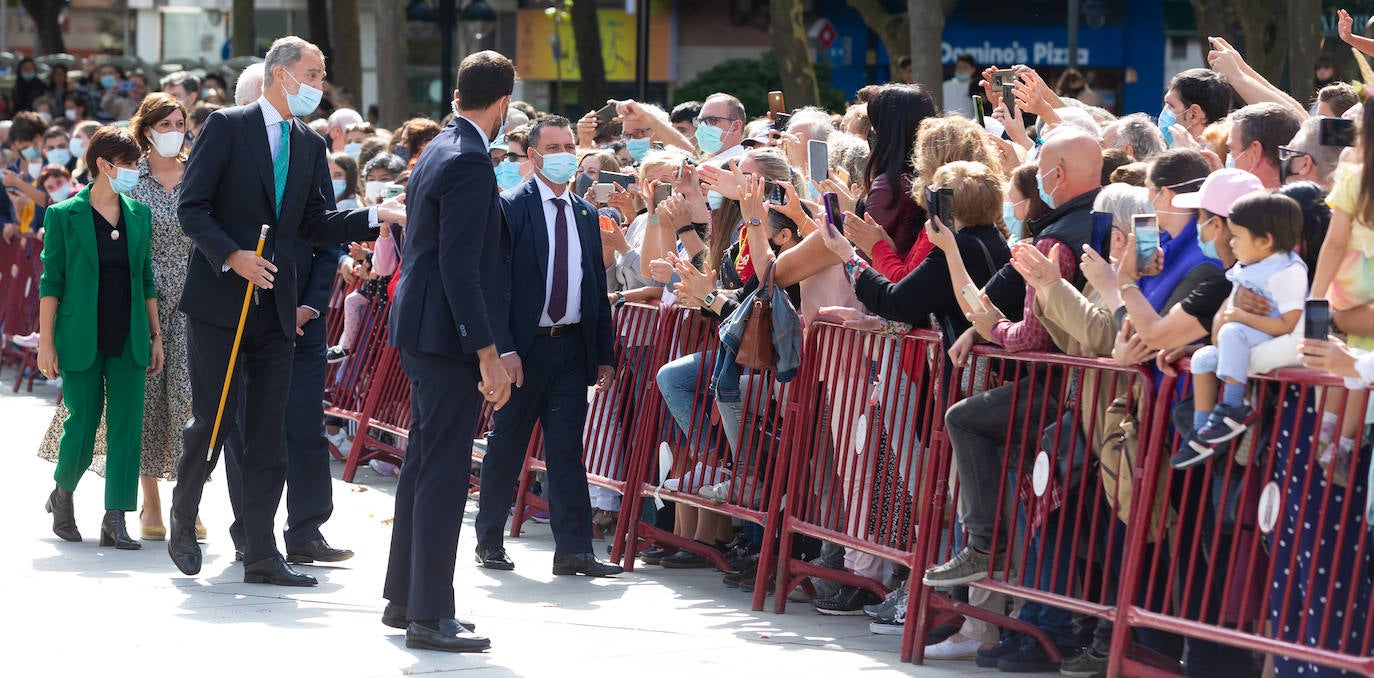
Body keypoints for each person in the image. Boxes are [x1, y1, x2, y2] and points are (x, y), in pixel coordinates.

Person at [168, 36, 404, 586]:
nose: (320, 85)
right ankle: (184, 513)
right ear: (281, 75)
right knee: (215, 422)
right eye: (313, 74)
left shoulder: (308, 144)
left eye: (324, 76)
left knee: (268, 434)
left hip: (274, 306)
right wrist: (232, 255)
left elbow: (316, 222)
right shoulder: (228, 126)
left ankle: (260, 551)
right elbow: (192, 207)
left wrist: (376, 215)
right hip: (222, 302)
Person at [382, 49, 513, 654]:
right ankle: (429, 615)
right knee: (441, 469)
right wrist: (487, 352)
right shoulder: (469, 160)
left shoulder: (437, 146)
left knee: (424, 463)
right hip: (444, 334)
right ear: (505, 104)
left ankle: (407, 597)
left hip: (424, 328)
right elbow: (462, 267)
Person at [472, 114, 621, 577]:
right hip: (523, 350)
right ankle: (489, 540)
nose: (564, 156)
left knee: (566, 450)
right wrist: (503, 349)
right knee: (508, 445)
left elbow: (594, 283)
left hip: (570, 349)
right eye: (553, 148)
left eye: (568, 146)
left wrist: (603, 353)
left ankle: (575, 549)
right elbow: (493, 285)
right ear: (534, 157)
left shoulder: (583, 211)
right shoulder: (510, 208)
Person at [36, 126, 164, 550]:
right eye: (126, 164)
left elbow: (146, 279)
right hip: (78, 337)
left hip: (129, 336)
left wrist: (156, 336)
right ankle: (63, 493)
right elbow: (51, 283)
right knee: (82, 426)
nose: (133, 170)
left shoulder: (138, 215)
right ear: (103, 165)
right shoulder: (62, 215)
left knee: (127, 428)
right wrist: (46, 343)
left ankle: (116, 518)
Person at [1178, 191, 1305, 466]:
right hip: (1242, 342)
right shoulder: (1247, 267)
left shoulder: (1288, 271)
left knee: (1231, 333)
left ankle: (1233, 406)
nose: (1231, 243)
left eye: (1237, 236)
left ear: (1265, 241)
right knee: (1203, 358)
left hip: (1265, 339)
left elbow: (1288, 325)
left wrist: (1239, 318)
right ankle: (1202, 431)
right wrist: (1234, 316)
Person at [1226, 102, 1302, 189]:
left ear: (1255, 152)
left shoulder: (1253, 200)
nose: (1229, 157)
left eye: (1231, 149)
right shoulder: (1302, 197)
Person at [942, 54, 978, 118]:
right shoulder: (945, 86)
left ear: (973, 69)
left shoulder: (977, 87)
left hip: (968, 125)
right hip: (947, 123)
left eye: (965, 67)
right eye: (959, 67)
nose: (961, 70)